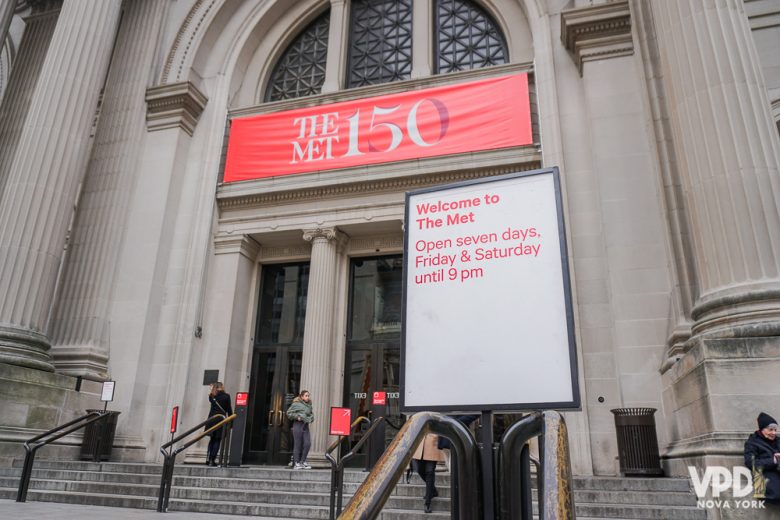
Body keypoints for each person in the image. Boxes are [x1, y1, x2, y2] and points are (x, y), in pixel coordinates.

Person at [744, 412, 780, 515]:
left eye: (775, 430)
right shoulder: (752, 443)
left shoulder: (778, 441)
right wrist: (773, 460)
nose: (773, 433)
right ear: (762, 429)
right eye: (770, 430)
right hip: (764, 475)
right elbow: (750, 463)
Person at [412, 433, 446, 513]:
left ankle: (427, 503)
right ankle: (433, 490)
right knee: (419, 469)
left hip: (433, 443)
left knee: (430, 472)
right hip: (419, 443)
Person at [205, 382, 232, 467]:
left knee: (212, 439)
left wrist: (212, 388)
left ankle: (208, 459)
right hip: (221, 420)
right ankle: (212, 460)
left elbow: (211, 394)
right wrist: (231, 423)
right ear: (222, 387)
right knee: (217, 440)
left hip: (211, 420)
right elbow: (229, 410)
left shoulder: (212, 396)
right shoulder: (226, 396)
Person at [286, 389, 314, 469]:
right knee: (298, 444)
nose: (308, 397)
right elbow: (289, 413)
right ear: (301, 397)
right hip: (298, 425)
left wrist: (311, 418)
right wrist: (297, 417)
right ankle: (296, 463)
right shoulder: (296, 404)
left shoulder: (309, 405)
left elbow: (311, 414)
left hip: (305, 425)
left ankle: (303, 461)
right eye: (306, 396)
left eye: (308, 396)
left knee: (307, 443)